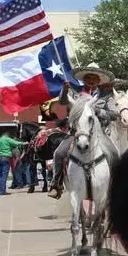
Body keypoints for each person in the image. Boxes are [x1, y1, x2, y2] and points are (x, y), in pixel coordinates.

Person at [47, 63, 115, 199]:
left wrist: (98, 111)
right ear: (84, 79)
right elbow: (63, 101)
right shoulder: (74, 92)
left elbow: (113, 114)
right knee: (59, 153)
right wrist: (64, 90)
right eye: (88, 78)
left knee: (114, 154)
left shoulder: (106, 95)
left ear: (99, 80)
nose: (91, 81)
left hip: (99, 133)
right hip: (77, 133)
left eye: (94, 78)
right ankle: (56, 184)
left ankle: (115, 186)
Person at [0, 131, 27, 196]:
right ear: (7, 135)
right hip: (5, 157)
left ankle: (0, 190)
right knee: (4, 175)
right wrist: (24, 143)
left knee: (0, 175)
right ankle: (2, 191)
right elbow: (16, 143)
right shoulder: (7, 139)